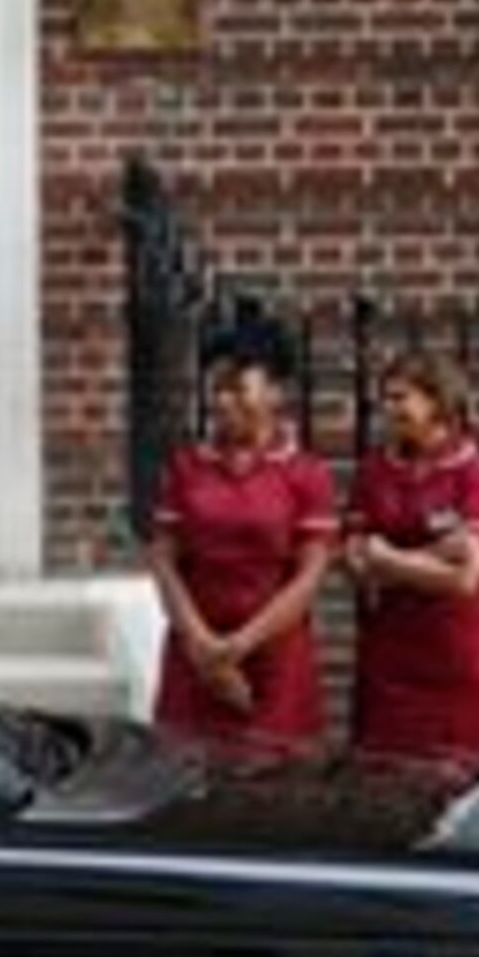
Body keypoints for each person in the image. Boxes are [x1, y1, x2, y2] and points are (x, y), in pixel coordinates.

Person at [147, 321, 338, 750]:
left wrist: (237, 647)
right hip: (193, 655)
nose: (221, 401)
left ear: (274, 393)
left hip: (274, 660)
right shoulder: (186, 467)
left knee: (272, 787)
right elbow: (163, 559)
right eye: (215, 389)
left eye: (236, 388)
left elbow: (308, 577)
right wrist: (201, 645)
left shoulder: (305, 474)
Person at [342, 348, 479, 763]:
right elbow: (353, 558)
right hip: (389, 661)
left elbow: (464, 579)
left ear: (438, 401)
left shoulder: (478, 475)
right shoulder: (373, 471)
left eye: (401, 397)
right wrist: (428, 559)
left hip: (459, 664)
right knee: (388, 787)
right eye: (385, 398)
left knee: (459, 788)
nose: (388, 408)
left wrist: (388, 559)